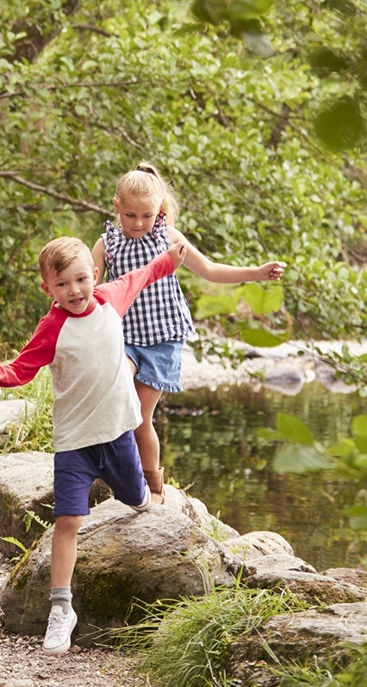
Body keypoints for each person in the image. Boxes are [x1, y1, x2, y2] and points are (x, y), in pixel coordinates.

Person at [0, 235, 188, 655]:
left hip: (118, 435)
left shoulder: (110, 298)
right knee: (68, 521)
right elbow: (18, 371)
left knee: (136, 501)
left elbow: (141, 276)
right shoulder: (52, 328)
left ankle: (145, 493)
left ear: (93, 275)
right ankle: (60, 608)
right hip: (74, 443)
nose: (74, 290)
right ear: (47, 289)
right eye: (63, 284)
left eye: (80, 279)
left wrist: (167, 260)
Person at [90, 163, 285, 504]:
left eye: (147, 215)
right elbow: (89, 289)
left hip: (162, 339)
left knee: (139, 415)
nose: (138, 223)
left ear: (160, 210)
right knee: (118, 399)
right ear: (116, 206)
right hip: (123, 337)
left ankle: (153, 485)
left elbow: (209, 270)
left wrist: (256, 272)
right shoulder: (106, 243)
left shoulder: (168, 238)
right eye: (130, 215)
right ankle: (113, 470)